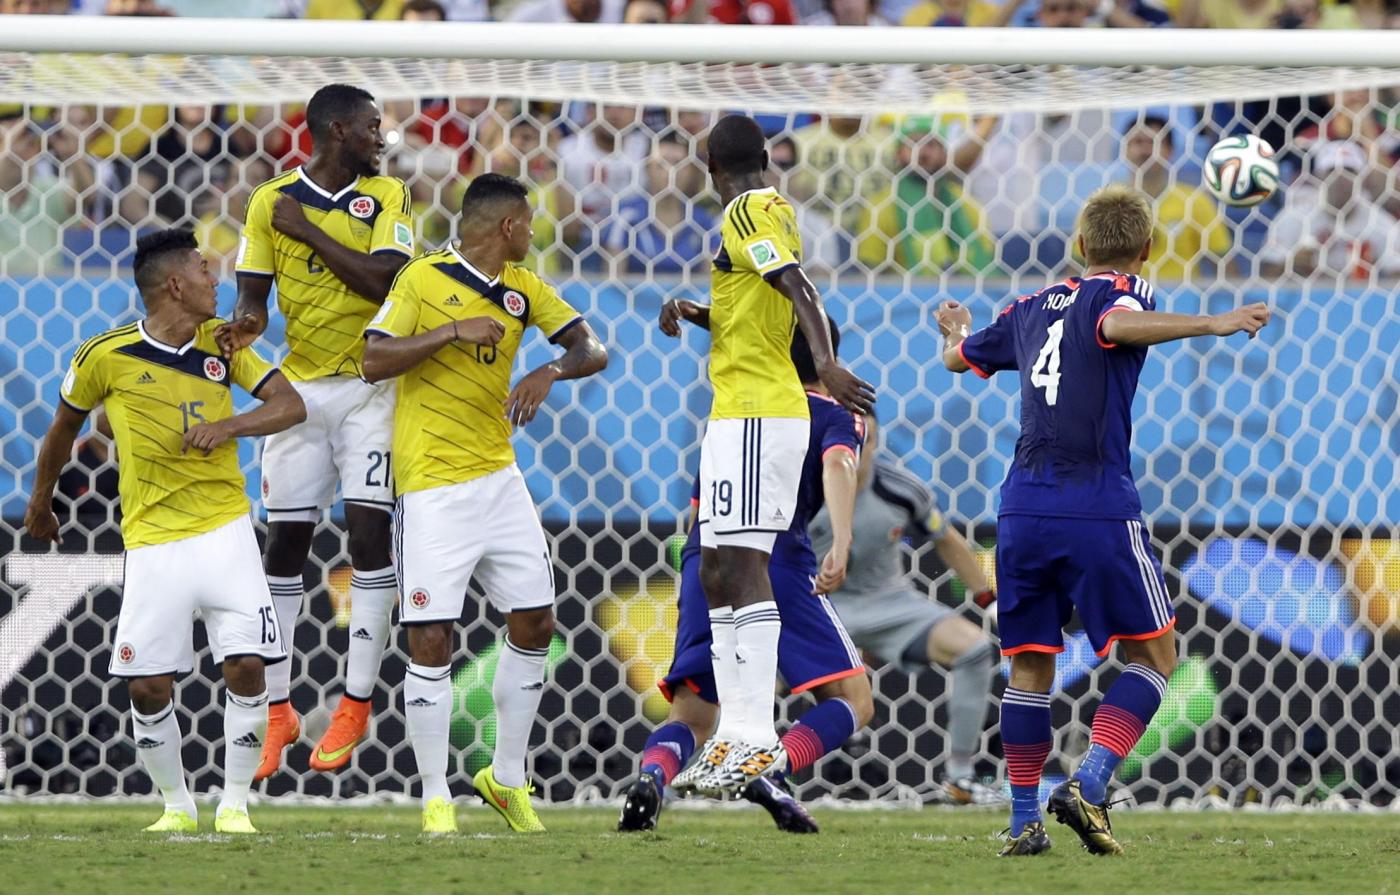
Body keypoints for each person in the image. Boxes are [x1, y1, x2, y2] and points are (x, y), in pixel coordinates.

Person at [938, 185, 1270, 856]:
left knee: (1029, 668)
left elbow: (956, 358)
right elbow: (1116, 325)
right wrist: (1214, 323)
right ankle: (1089, 781)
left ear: (1080, 244)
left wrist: (955, 331)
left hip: (1020, 509)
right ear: (1147, 249)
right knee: (1157, 656)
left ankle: (1024, 822)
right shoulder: (1123, 290)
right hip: (1094, 506)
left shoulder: (1029, 306)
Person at [23, 227, 307, 834]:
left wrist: (229, 428)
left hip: (226, 530)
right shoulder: (105, 355)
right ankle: (177, 806)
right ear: (175, 284)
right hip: (154, 540)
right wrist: (41, 501)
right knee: (148, 685)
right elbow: (64, 429)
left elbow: (291, 405)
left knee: (246, 666)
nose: (215, 280)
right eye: (205, 270)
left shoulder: (224, 344)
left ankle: (235, 806)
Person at [362, 173, 608, 833]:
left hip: (499, 478)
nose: (533, 233)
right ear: (507, 226)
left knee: (536, 622)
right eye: (528, 223)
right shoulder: (420, 280)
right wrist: (451, 332)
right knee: (431, 636)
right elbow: (373, 359)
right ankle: (435, 796)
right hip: (432, 485)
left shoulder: (523, 288)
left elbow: (592, 347)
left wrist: (549, 370)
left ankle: (505, 777)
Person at [662, 114, 874, 796]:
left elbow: (796, 285)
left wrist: (827, 362)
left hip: (760, 411)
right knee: (718, 570)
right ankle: (734, 735)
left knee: (744, 566)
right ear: (764, 157)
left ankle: (752, 736)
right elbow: (758, 311)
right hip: (736, 411)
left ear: (709, 167)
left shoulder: (749, 209)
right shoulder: (761, 214)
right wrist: (696, 311)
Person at [221, 83, 415, 780]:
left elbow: (387, 282)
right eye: (372, 127)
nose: (381, 138)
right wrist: (242, 327)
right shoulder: (269, 200)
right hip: (300, 389)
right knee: (283, 547)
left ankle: (354, 703)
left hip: (370, 387)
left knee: (368, 535)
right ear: (338, 130)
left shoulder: (387, 196)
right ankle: (279, 710)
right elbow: (253, 296)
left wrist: (308, 231)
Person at [620, 317, 870, 834]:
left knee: (693, 714)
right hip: (776, 560)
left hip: (705, 558)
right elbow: (838, 465)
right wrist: (843, 538)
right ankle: (768, 767)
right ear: (829, 358)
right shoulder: (834, 414)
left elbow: (697, 509)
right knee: (853, 699)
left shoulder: (733, 414)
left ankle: (652, 776)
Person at [807, 415, 1000, 805]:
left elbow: (947, 539)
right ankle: (717, 776)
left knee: (975, 649)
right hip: (816, 607)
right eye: (849, 439)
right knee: (746, 669)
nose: (856, 450)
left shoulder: (901, 489)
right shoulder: (803, 488)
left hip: (890, 605)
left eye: (865, 440)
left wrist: (988, 600)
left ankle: (960, 778)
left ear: (876, 442)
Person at [1119, 116, 1231, 282]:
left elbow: (1224, 263)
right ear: (1124, 150)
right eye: (1138, 142)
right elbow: (1081, 263)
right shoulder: (1105, 204)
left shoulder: (1195, 201)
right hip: (1123, 296)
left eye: (1153, 143)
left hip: (1183, 297)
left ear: (1169, 151)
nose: (1145, 150)